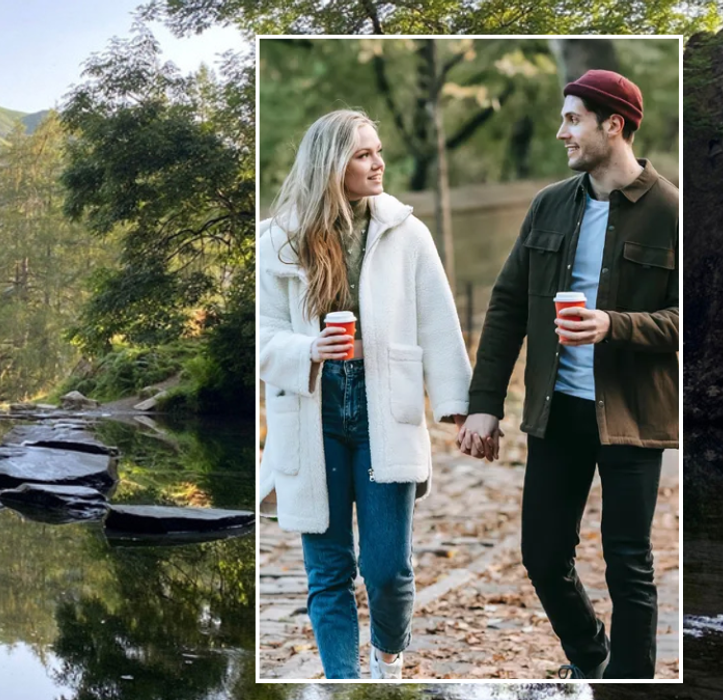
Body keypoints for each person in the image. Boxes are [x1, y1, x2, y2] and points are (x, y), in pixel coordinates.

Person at [458, 70, 679, 679]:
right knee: (542, 552)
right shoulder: (550, 204)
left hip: (634, 413)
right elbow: (506, 305)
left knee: (628, 562)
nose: (562, 132)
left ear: (615, 125)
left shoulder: (671, 211)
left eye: (573, 119)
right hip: (558, 410)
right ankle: (592, 662)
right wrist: (485, 403)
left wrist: (615, 325)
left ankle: (631, 683)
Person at [258, 109, 472, 679]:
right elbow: (261, 335)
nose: (378, 164)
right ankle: (343, 685)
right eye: (362, 155)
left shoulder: (407, 231)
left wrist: (457, 404)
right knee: (327, 570)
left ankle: (387, 660)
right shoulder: (278, 240)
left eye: (377, 151)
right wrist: (308, 351)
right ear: (331, 165)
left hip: (386, 407)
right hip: (311, 410)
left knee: (387, 570)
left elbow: (438, 321)